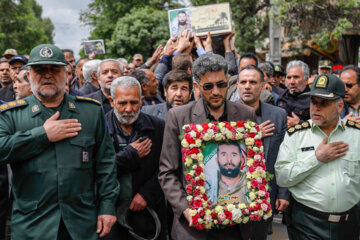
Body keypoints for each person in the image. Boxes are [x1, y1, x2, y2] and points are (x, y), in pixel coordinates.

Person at [0, 44, 119, 239]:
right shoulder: (12, 114)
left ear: (66, 75)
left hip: (81, 224)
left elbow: (106, 163)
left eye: (54, 69)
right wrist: (42, 135)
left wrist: (107, 206)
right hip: (32, 226)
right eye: (40, 70)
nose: (47, 75)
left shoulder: (90, 112)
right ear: (29, 76)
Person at [158, 54, 256, 240]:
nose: (216, 91)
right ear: (196, 86)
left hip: (235, 225)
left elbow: (253, 165)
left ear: (228, 82)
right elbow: (167, 172)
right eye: (208, 86)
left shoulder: (246, 114)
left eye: (221, 84)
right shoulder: (178, 117)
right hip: (193, 228)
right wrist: (186, 210)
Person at [275, 73, 359, 240]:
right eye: (314, 102)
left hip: (349, 224)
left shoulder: (356, 135)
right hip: (307, 224)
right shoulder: (296, 135)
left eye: (324, 103)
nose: (316, 108)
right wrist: (316, 158)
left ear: (340, 106)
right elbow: (282, 178)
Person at [104, 76, 167, 239]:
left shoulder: (158, 127)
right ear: (111, 101)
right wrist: (129, 156)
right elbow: (95, 170)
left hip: (149, 216)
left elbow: (168, 167)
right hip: (110, 216)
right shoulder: (99, 128)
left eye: (133, 102)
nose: (128, 109)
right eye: (122, 103)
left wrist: (148, 193)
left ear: (142, 100)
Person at [234, 65, 289, 239]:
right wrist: (252, 134)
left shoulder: (278, 115)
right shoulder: (225, 113)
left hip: (265, 195)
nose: (247, 86)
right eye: (243, 82)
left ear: (263, 85)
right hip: (231, 195)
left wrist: (283, 193)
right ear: (237, 85)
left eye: (252, 82)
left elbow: (284, 157)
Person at [277, 60, 311, 128]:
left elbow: (320, 127)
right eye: (289, 77)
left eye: (296, 77)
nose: (292, 82)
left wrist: (300, 123)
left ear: (306, 80)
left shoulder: (314, 100)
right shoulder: (282, 96)